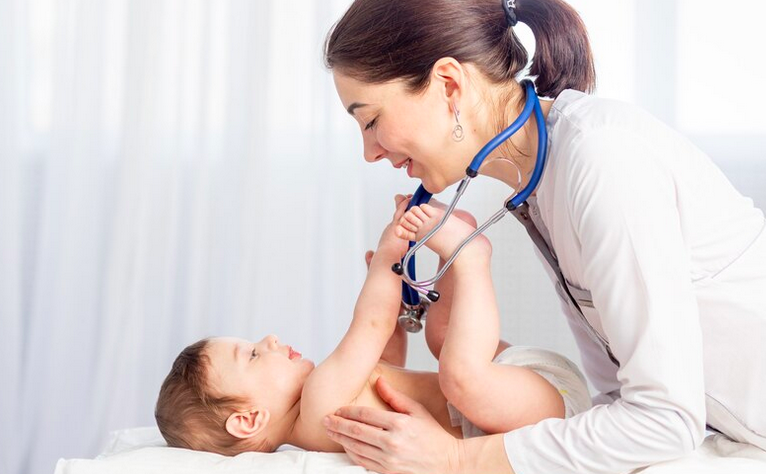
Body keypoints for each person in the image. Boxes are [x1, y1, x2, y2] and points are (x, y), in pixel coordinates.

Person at [321, 0, 766, 474]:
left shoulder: (600, 160)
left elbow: (663, 420)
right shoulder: (540, 183)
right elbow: (622, 401)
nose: (370, 152)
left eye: (371, 120)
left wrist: (458, 458)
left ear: (447, 85)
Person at [153, 195, 591, 456]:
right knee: (456, 367)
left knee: (447, 347)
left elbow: (384, 358)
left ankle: (453, 252)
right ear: (249, 420)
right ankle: (469, 258)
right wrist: (390, 252)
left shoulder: (321, 412)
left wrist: (392, 283)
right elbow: (373, 322)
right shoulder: (320, 400)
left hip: (513, 397)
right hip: (532, 412)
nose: (267, 339)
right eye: (251, 354)